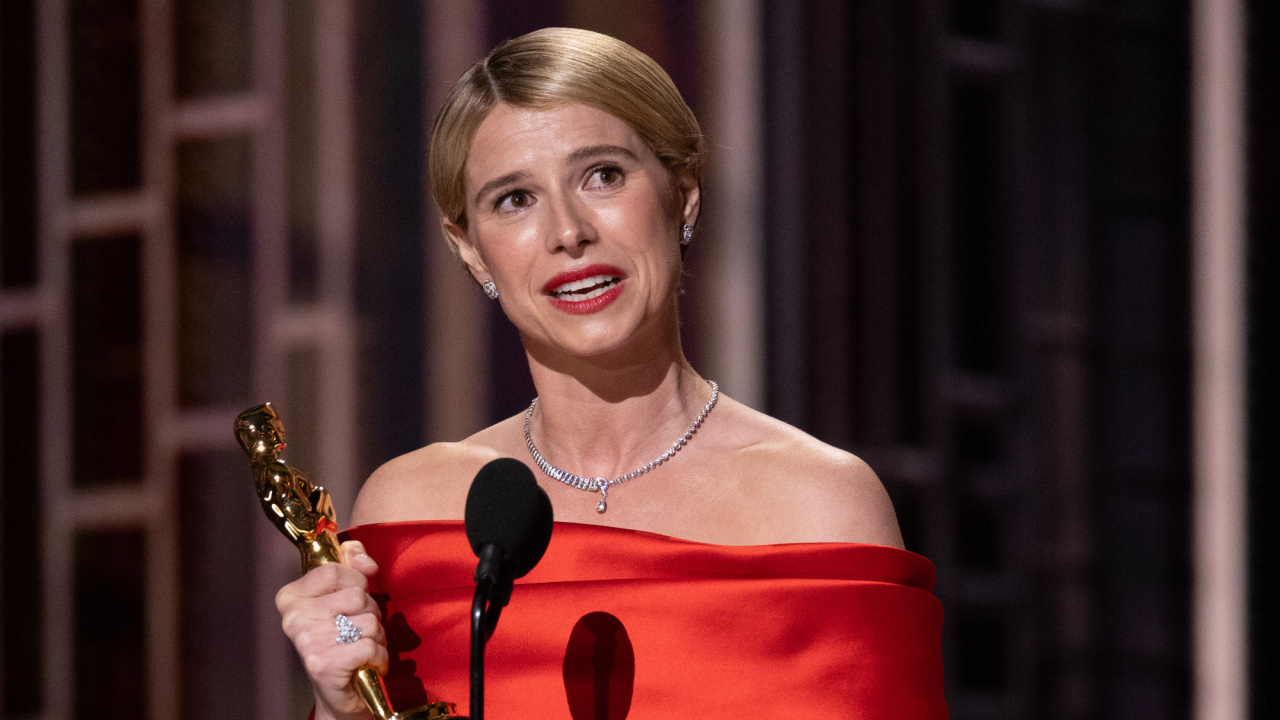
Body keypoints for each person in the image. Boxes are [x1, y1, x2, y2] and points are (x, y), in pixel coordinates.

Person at [276, 27, 947, 720]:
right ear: (471, 250)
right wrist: (340, 708)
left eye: (602, 175)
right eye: (514, 199)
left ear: (682, 194)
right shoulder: (413, 514)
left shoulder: (818, 505)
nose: (568, 231)